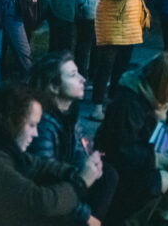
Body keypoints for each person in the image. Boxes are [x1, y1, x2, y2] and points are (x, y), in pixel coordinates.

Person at [0, 82, 104, 226]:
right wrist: (80, 181)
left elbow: (36, 164)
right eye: (31, 125)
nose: (36, 133)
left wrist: (75, 172)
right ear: (10, 120)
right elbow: (39, 201)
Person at [93, 51, 168, 225]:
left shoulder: (167, 97)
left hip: (156, 158)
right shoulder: (129, 102)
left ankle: (164, 216)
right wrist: (165, 161)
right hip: (126, 170)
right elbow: (124, 152)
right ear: (160, 80)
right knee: (162, 180)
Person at [27, 52, 118, 221]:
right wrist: (83, 214)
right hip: (52, 198)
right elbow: (45, 180)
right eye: (73, 75)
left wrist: (91, 162)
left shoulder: (69, 113)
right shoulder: (42, 124)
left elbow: (79, 152)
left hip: (68, 183)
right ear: (54, 87)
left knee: (108, 174)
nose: (82, 79)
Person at [89, 0, 151, 120]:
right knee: (106, 65)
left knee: (122, 65)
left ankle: (114, 103)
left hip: (131, 19)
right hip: (112, 19)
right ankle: (97, 105)